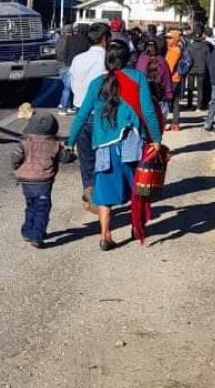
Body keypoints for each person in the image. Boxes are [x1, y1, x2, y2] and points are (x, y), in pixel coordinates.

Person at [66, 41, 162, 251]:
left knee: (104, 190)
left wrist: (69, 142)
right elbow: (148, 111)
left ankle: (105, 235)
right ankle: (137, 227)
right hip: (132, 140)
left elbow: (82, 114)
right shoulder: (138, 78)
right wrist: (157, 139)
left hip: (103, 144)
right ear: (128, 58)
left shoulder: (97, 83)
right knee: (139, 186)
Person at [70, 22, 111, 211]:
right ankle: (99, 197)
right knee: (102, 157)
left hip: (80, 112)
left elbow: (71, 83)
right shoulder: (107, 60)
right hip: (100, 114)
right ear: (105, 39)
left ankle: (88, 189)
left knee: (86, 158)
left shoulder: (78, 59)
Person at [11, 112, 63, 248]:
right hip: (43, 182)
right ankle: (36, 235)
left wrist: (16, 168)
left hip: (26, 181)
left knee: (31, 206)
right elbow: (64, 157)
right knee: (42, 208)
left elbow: (16, 157)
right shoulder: (54, 144)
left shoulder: (25, 141)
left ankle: (27, 231)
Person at [135, 39, 172, 122]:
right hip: (159, 95)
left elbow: (137, 76)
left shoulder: (141, 60)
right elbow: (167, 79)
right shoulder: (162, 61)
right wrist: (168, 93)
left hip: (144, 96)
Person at [185, 31, 211, 110]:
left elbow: (186, 57)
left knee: (190, 88)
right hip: (201, 69)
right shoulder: (205, 47)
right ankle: (199, 105)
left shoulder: (189, 46)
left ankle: (189, 104)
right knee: (200, 88)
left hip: (191, 68)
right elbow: (208, 60)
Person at [164, 30, 183, 131]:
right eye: (167, 37)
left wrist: (163, 78)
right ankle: (175, 123)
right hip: (176, 78)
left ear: (175, 38)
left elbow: (170, 67)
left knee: (166, 101)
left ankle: (164, 123)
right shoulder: (173, 48)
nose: (168, 40)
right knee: (175, 102)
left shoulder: (174, 50)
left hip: (171, 79)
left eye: (170, 38)